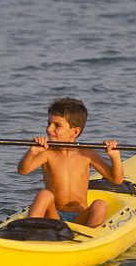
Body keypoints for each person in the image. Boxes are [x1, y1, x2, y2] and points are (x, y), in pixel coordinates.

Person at [17, 98, 124, 228]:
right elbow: (23, 170)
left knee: (100, 204)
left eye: (57, 125)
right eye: (49, 123)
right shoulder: (47, 153)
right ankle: (29, 231)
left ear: (75, 132)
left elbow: (116, 179)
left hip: (80, 217)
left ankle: (89, 240)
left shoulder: (87, 154)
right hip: (54, 215)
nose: (49, 129)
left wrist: (115, 156)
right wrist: (32, 152)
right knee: (44, 194)